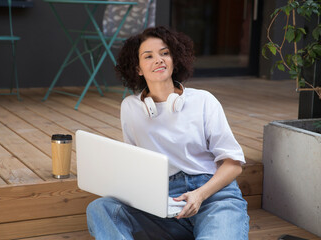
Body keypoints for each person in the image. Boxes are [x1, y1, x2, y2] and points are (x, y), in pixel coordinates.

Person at [86, 26, 249, 239]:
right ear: (138, 69)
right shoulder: (130, 107)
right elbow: (135, 164)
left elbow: (233, 165)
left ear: (175, 59)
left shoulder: (203, 100)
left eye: (165, 53)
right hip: (163, 203)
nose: (159, 60)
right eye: (148, 56)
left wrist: (199, 195)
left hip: (213, 197)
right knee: (101, 208)